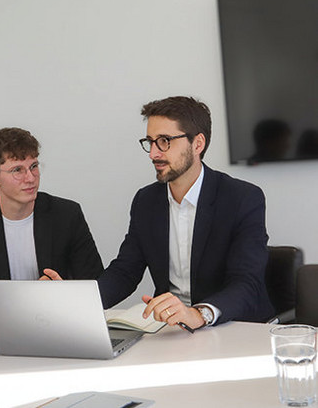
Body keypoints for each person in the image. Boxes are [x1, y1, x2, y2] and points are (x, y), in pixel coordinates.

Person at [98, 96, 274, 331]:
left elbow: (246, 283)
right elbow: (125, 271)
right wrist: (81, 302)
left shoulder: (242, 198)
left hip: (233, 326)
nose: (153, 153)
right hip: (171, 330)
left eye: (164, 141)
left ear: (197, 144)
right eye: (150, 142)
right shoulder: (146, 201)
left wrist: (199, 313)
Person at [0, 127, 104, 328]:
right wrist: (5, 323)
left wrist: (64, 293)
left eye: (33, 166)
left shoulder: (66, 214)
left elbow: (95, 285)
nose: (30, 178)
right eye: (17, 170)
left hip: (59, 323)